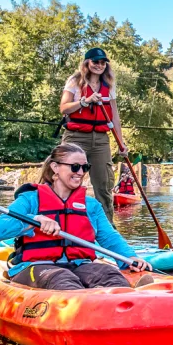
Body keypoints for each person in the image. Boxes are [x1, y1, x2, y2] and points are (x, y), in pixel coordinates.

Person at [0, 142, 151, 290]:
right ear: (55, 167)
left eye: (85, 168)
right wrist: (33, 220)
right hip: (37, 266)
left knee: (110, 276)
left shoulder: (91, 205)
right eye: (75, 167)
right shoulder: (30, 199)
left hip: (80, 265)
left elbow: (109, 237)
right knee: (62, 279)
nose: (80, 172)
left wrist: (129, 258)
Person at [60, 47, 128, 221]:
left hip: (100, 140)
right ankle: (63, 223)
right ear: (86, 63)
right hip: (75, 137)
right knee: (67, 180)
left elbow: (115, 117)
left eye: (103, 62)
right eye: (95, 62)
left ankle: (107, 231)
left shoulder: (109, 84)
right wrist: (84, 102)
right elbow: (64, 108)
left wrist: (121, 143)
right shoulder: (75, 81)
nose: (99, 65)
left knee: (104, 185)